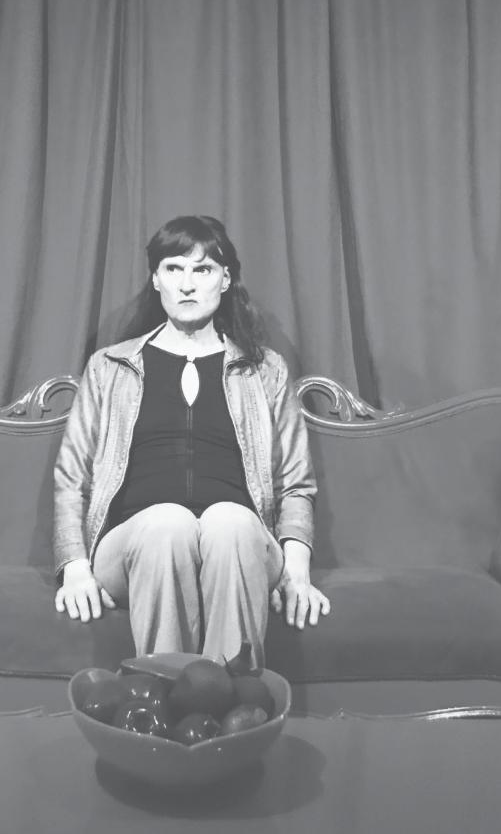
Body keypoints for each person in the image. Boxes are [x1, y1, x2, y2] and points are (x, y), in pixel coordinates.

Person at [52, 215, 329, 668]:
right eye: (173, 268)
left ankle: (233, 698)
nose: (187, 284)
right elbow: (72, 479)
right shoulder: (109, 367)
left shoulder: (264, 369)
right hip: (134, 546)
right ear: (155, 279)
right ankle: (166, 695)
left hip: (240, 542)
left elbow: (295, 484)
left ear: (225, 280)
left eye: (202, 269)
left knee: (229, 521)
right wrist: (74, 567)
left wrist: (296, 570)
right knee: (168, 523)